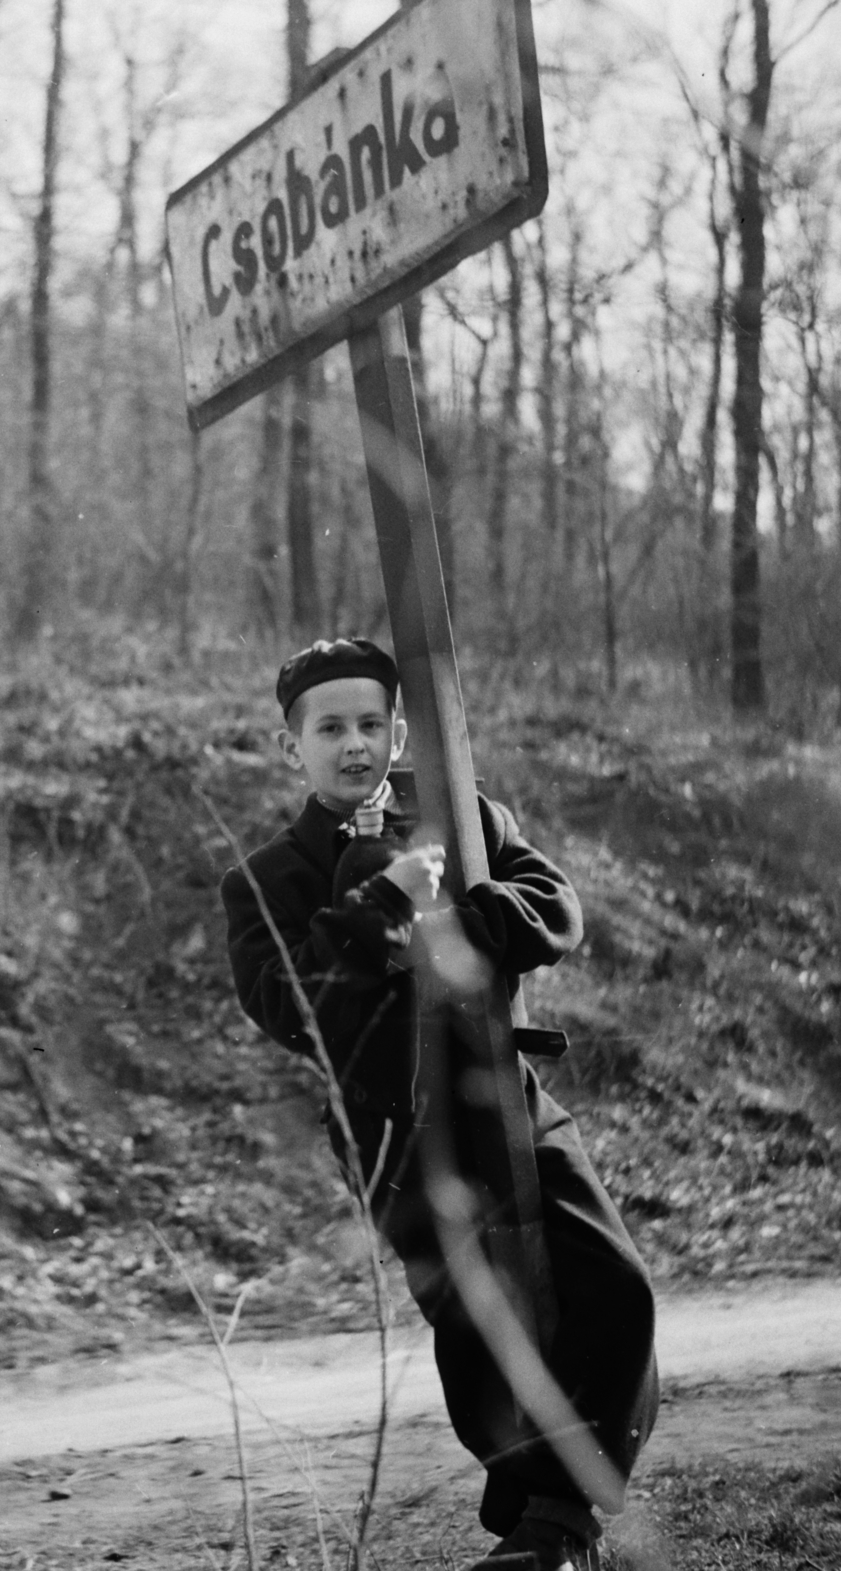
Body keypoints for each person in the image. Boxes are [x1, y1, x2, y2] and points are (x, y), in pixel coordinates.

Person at [220, 637, 658, 1571]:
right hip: (396, 1134)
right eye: (329, 728)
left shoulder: (457, 813)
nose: (354, 745)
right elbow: (291, 1006)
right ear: (289, 745)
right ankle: (538, 1524)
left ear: (400, 729)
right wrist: (379, 905)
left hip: (504, 1093)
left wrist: (467, 921)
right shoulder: (266, 877)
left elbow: (555, 901)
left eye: (371, 724)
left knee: (613, 1282)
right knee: (477, 1326)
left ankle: (562, 1521)